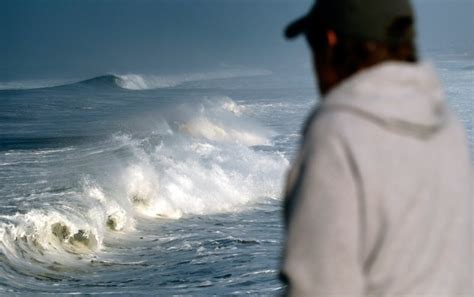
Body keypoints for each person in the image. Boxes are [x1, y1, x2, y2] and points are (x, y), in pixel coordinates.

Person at [280, 0, 473, 296]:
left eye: (312, 42)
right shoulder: (447, 127)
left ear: (330, 42)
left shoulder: (338, 134)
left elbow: (319, 287)